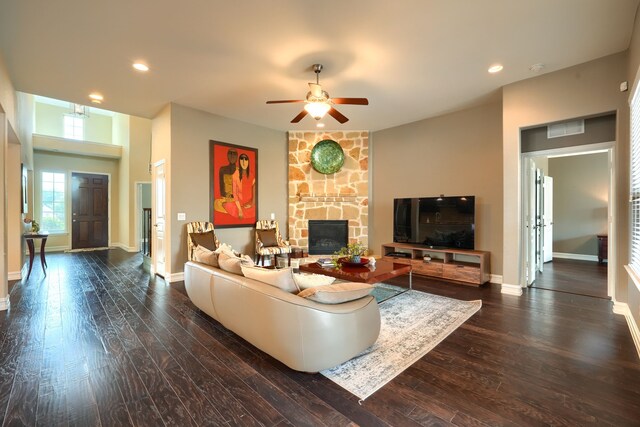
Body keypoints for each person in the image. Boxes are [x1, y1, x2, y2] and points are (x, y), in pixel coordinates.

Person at [223, 153, 255, 219]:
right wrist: (240, 210)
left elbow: (255, 191)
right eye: (241, 159)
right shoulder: (235, 174)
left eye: (245, 159)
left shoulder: (252, 175)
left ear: (248, 162)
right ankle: (241, 211)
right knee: (226, 205)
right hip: (239, 204)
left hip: (249, 203)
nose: (243, 161)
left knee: (255, 210)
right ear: (239, 161)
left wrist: (252, 204)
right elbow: (235, 194)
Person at [213, 149, 238, 214]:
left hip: (236, 201)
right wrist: (227, 199)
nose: (232, 156)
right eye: (230, 153)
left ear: (237, 157)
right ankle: (230, 208)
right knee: (217, 203)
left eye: (234, 154)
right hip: (225, 199)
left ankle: (231, 208)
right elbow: (221, 187)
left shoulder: (240, 171)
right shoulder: (222, 169)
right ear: (227, 156)